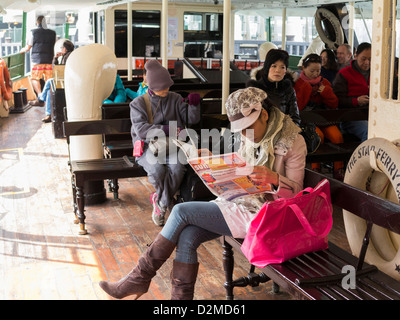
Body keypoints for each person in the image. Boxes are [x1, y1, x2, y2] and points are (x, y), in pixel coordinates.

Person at [99, 86, 307, 300]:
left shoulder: (292, 141)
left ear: (264, 114)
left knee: (180, 212)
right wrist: (212, 160)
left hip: (268, 216)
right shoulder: (251, 133)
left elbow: (298, 196)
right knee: (188, 236)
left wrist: (275, 179)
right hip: (241, 203)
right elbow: (241, 165)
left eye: (247, 127)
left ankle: (138, 278)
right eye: (241, 130)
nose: (245, 134)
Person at [130, 60, 201, 226]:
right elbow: (141, 130)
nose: (166, 90)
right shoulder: (138, 103)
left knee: (178, 168)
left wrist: (194, 105)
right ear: (152, 86)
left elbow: (191, 120)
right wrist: (167, 129)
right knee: (156, 170)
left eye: (167, 86)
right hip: (147, 147)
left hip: (173, 145)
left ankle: (160, 202)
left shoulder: (175, 98)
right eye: (162, 87)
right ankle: (164, 200)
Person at [294, 53, 344, 180]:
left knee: (337, 136)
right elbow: (298, 106)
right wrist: (307, 89)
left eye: (318, 70)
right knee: (318, 137)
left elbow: (334, 104)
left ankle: (339, 169)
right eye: (312, 71)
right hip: (307, 121)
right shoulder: (298, 83)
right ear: (303, 68)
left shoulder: (325, 82)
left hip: (324, 119)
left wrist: (326, 92)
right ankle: (315, 167)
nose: (315, 74)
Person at [247, 49, 301, 127]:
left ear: (285, 71)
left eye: (282, 67)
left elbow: (295, 117)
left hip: (284, 131)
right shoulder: (255, 90)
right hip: (260, 132)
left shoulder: (288, 90)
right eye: (274, 66)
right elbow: (250, 119)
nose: (277, 70)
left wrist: (290, 132)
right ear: (267, 67)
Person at [333, 42, 371, 142]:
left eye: (370, 59)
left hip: (371, 115)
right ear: (355, 56)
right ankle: (366, 157)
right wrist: (356, 101)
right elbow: (337, 100)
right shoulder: (344, 74)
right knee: (369, 131)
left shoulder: (377, 74)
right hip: (350, 118)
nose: (367, 62)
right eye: (363, 59)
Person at [33, 39, 74, 123]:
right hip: (66, 79)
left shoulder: (67, 56)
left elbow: (58, 69)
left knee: (49, 81)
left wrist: (56, 58)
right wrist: (56, 58)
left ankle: (41, 98)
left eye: (62, 47)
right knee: (49, 91)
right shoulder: (69, 55)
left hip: (66, 80)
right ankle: (48, 114)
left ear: (65, 49)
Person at [20, 16, 56, 105]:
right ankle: (49, 99)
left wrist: (22, 50)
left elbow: (28, 47)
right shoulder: (53, 33)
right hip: (49, 60)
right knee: (49, 80)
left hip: (37, 61)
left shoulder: (33, 32)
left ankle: (40, 97)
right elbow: (55, 45)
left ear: (37, 22)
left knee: (34, 78)